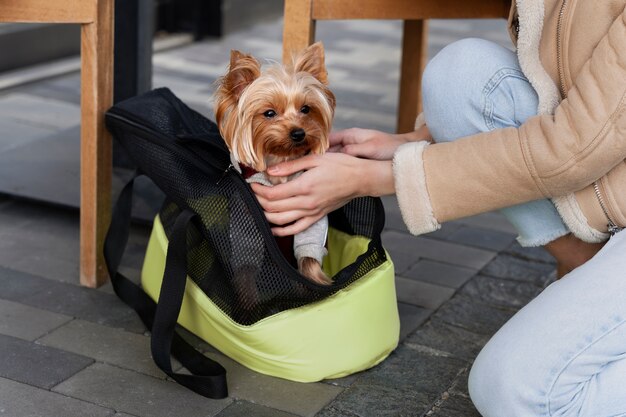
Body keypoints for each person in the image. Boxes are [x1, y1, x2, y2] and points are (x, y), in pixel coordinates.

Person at [253, 1, 626, 415]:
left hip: (583, 156)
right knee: (460, 73)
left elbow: (570, 148)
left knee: (514, 392)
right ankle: (591, 271)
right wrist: (413, 141)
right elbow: (582, 98)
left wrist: (382, 176)